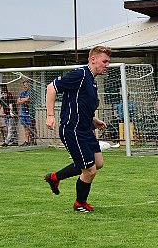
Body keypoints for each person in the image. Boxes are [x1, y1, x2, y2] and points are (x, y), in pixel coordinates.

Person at [44, 46, 111, 213]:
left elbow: (81, 105)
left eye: (108, 62)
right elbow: (51, 88)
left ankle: (55, 177)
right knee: (89, 169)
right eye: (105, 61)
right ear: (93, 59)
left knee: (98, 163)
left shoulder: (92, 80)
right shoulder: (80, 74)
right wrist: (50, 115)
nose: (107, 65)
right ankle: (80, 203)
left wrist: (94, 120)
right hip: (73, 130)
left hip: (86, 129)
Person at [17, 80, 32, 146]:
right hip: (23, 112)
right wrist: (24, 100)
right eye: (24, 85)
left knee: (31, 127)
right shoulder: (22, 93)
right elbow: (18, 101)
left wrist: (23, 100)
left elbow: (28, 99)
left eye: (26, 85)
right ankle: (26, 141)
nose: (25, 86)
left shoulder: (31, 93)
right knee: (25, 127)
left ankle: (33, 140)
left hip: (30, 112)